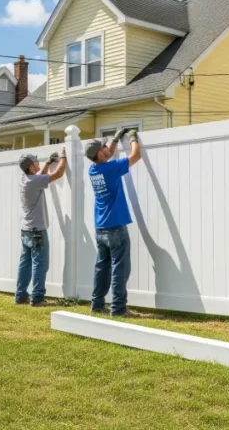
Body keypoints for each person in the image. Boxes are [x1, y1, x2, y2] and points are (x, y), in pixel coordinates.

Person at [86, 127, 141, 317]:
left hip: (100, 228)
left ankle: (97, 304)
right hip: (116, 228)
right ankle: (118, 308)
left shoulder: (93, 169)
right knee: (120, 269)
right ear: (100, 153)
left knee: (102, 268)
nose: (107, 148)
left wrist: (116, 139)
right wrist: (133, 137)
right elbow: (136, 156)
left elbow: (107, 155)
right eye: (104, 147)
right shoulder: (110, 168)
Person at [16, 149, 67, 307]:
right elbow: (58, 174)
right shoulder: (33, 181)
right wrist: (64, 157)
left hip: (26, 229)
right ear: (31, 167)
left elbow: (40, 177)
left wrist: (47, 163)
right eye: (36, 162)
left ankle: (21, 295)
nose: (38, 163)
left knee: (25, 263)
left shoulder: (25, 178)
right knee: (40, 263)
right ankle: (37, 298)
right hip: (37, 231)